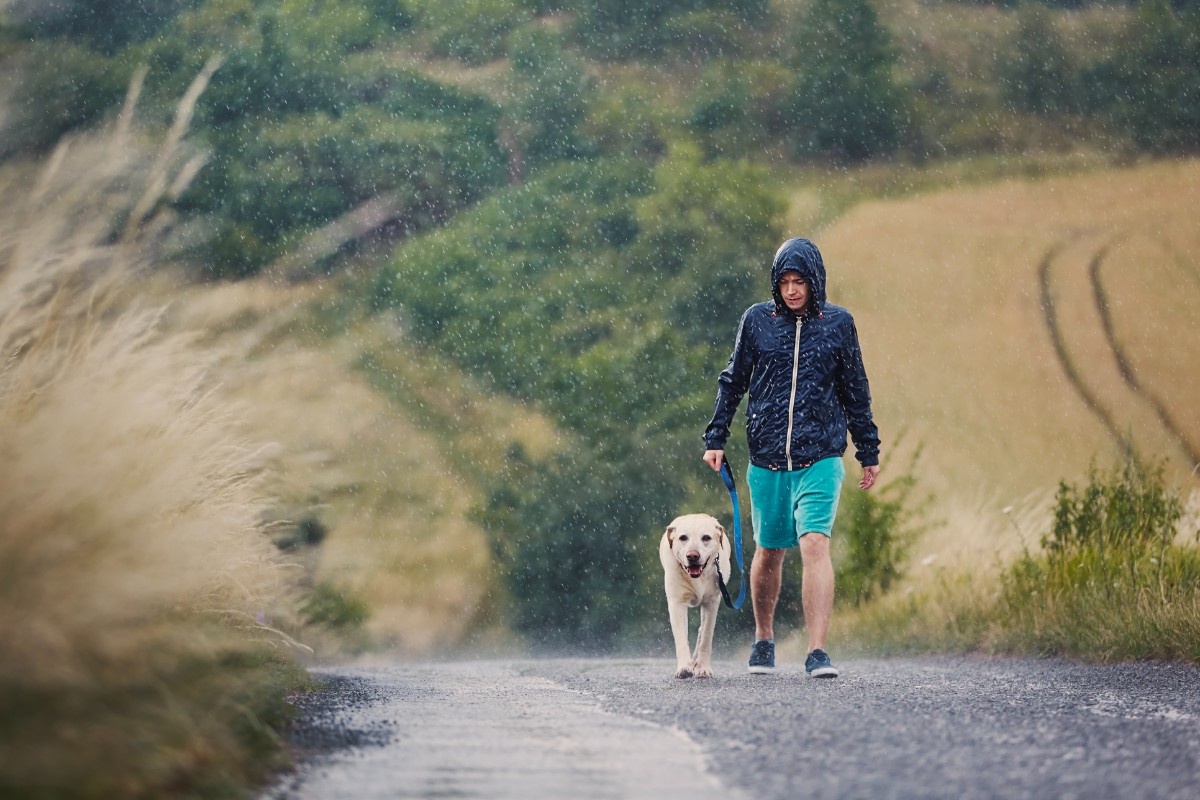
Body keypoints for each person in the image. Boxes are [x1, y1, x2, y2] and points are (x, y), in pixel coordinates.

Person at [702, 237, 880, 678]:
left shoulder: (839, 325)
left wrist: (868, 447)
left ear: (814, 281)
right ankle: (764, 639)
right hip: (767, 460)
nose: (792, 290)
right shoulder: (757, 322)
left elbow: (855, 388)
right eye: (784, 282)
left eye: (800, 281)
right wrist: (716, 435)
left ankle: (817, 650)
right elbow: (733, 381)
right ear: (776, 285)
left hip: (820, 456)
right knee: (769, 552)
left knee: (815, 544)